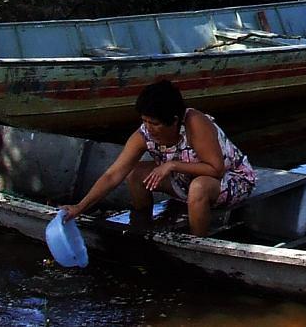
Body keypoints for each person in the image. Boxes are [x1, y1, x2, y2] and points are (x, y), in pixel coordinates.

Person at [61, 80, 256, 237]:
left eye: (154, 123)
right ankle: (142, 228)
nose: (148, 127)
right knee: (136, 174)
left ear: (174, 120)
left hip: (229, 181)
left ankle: (196, 244)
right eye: (145, 121)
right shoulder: (143, 135)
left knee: (199, 187)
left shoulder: (194, 122)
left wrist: (171, 165)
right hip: (184, 181)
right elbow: (113, 174)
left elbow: (216, 169)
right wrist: (79, 207)